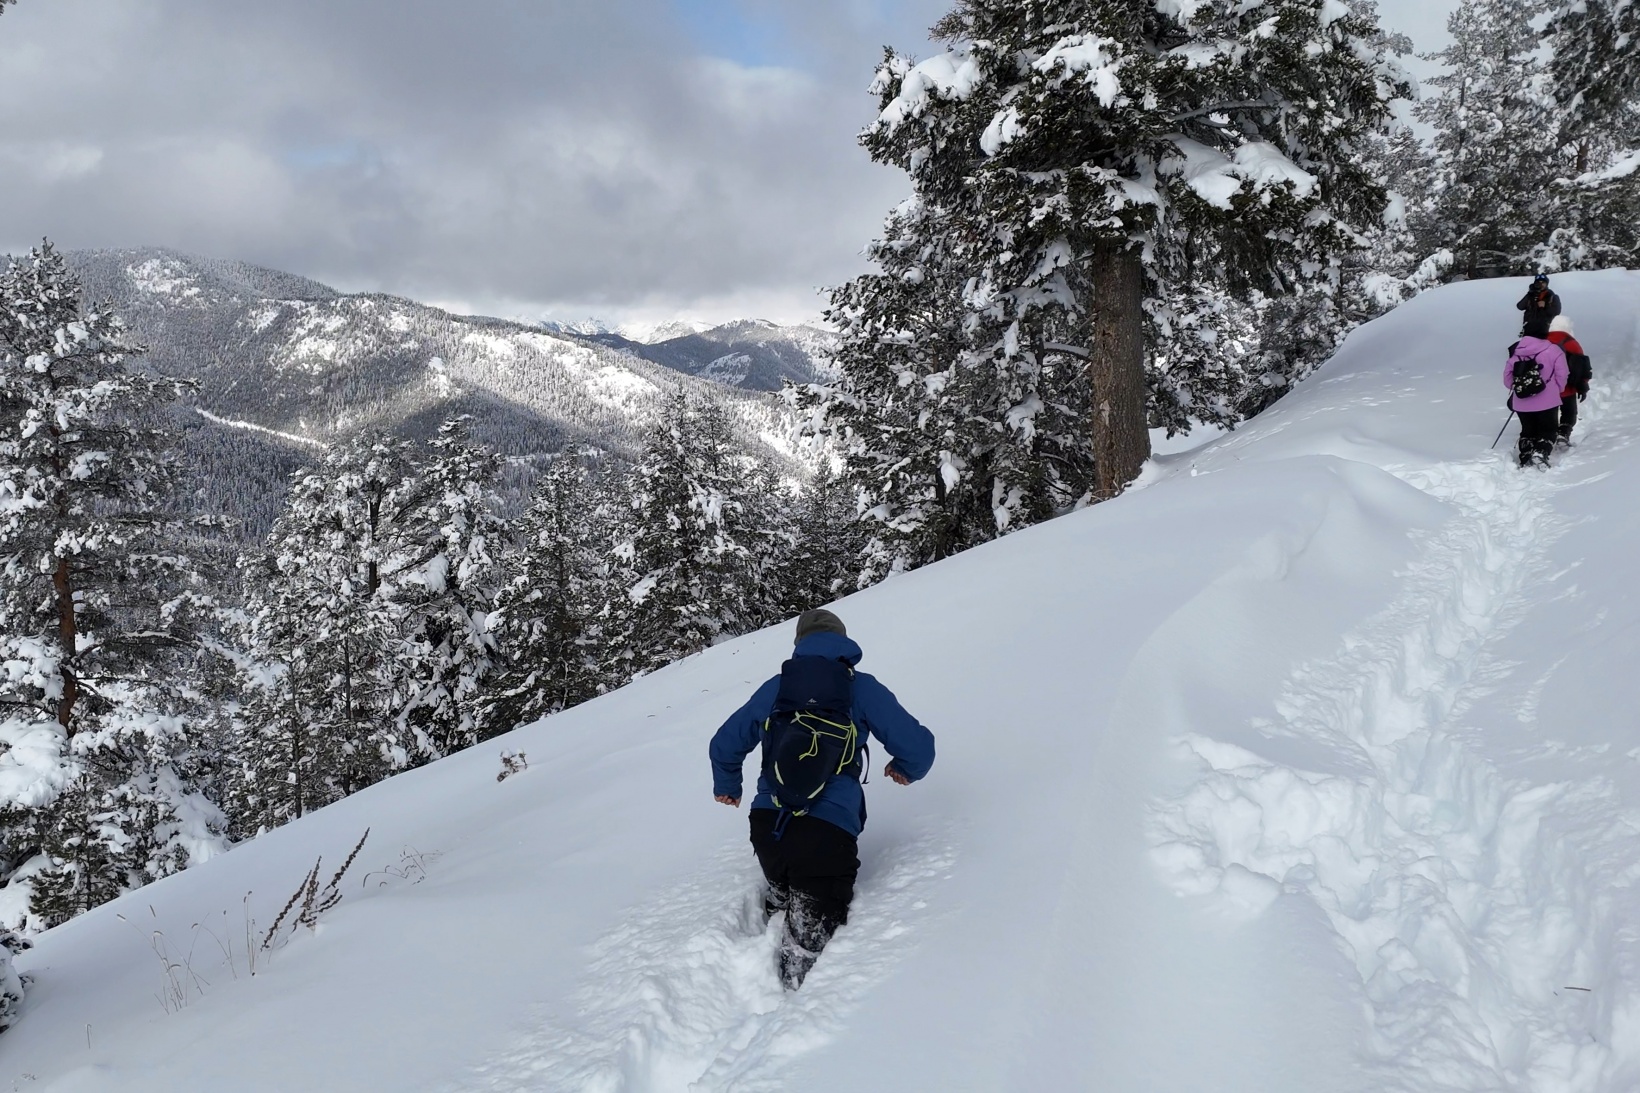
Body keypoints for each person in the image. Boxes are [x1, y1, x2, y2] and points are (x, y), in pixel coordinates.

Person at [709, 608, 935, 990]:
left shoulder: (777, 687)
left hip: (768, 827)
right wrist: (905, 769)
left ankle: (781, 892)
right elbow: (919, 747)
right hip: (826, 833)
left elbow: (724, 744)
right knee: (806, 959)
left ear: (799, 644)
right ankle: (788, 1008)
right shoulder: (861, 688)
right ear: (842, 643)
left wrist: (728, 786)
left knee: (785, 876)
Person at [1503, 332, 1570, 467]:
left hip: (1522, 401)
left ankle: (1526, 453)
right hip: (1548, 400)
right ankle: (1540, 452)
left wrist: (1519, 388)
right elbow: (1562, 374)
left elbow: (1507, 379)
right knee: (1548, 429)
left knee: (1527, 430)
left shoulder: (1516, 351)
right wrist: (1558, 389)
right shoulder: (1554, 350)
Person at [1546, 315, 1592, 446]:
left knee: (1549, 413)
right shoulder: (1571, 342)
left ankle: (1548, 437)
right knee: (1569, 412)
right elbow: (1583, 366)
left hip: (1547, 388)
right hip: (1568, 387)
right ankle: (1563, 433)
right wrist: (1583, 384)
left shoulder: (1542, 341)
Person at [1516, 273, 1562, 338]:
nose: (1541, 285)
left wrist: (1545, 306)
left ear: (1546, 284)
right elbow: (1520, 306)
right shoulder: (1530, 295)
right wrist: (1530, 294)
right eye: (1538, 282)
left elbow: (1557, 311)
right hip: (1529, 329)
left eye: (1543, 282)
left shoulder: (1552, 296)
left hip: (1544, 329)